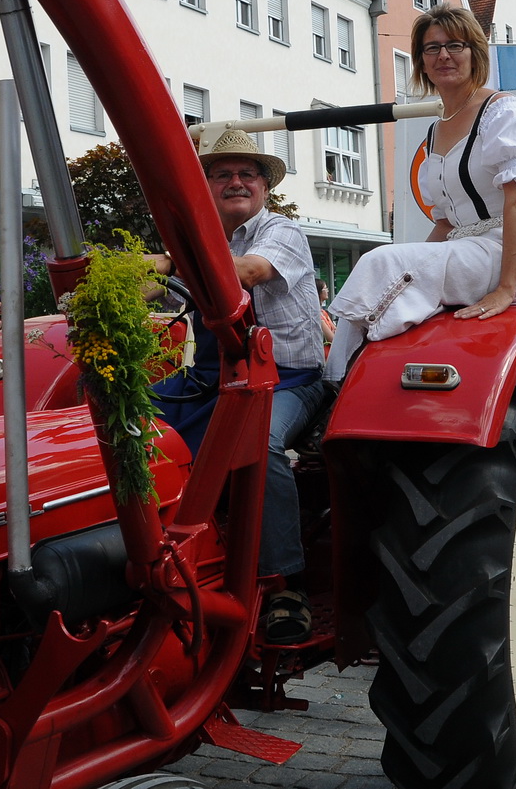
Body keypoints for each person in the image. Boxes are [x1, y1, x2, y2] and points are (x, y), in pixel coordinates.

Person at [148, 127, 328, 645]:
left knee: (261, 443)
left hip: (288, 380)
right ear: (203, 186)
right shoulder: (197, 241)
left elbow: (246, 272)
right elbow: (150, 290)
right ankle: (157, 549)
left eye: (247, 173)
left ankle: (283, 584)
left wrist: (163, 262)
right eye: (222, 173)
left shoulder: (281, 233)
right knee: (127, 418)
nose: (236, 182)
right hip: (213, 378)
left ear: (264, 188)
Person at [327, 4, 516, 370]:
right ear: (420, 60)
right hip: (469, 249)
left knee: (377, 261)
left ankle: (335, 382)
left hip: (514, 252)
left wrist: (506, 290)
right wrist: (415, 261)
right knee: (391, 266)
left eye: (455, 45)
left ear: (475, 53)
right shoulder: (436, 130)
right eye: (431, 48)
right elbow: (447, 223)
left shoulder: (502, 111)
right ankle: (352, 372)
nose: (443, 55)